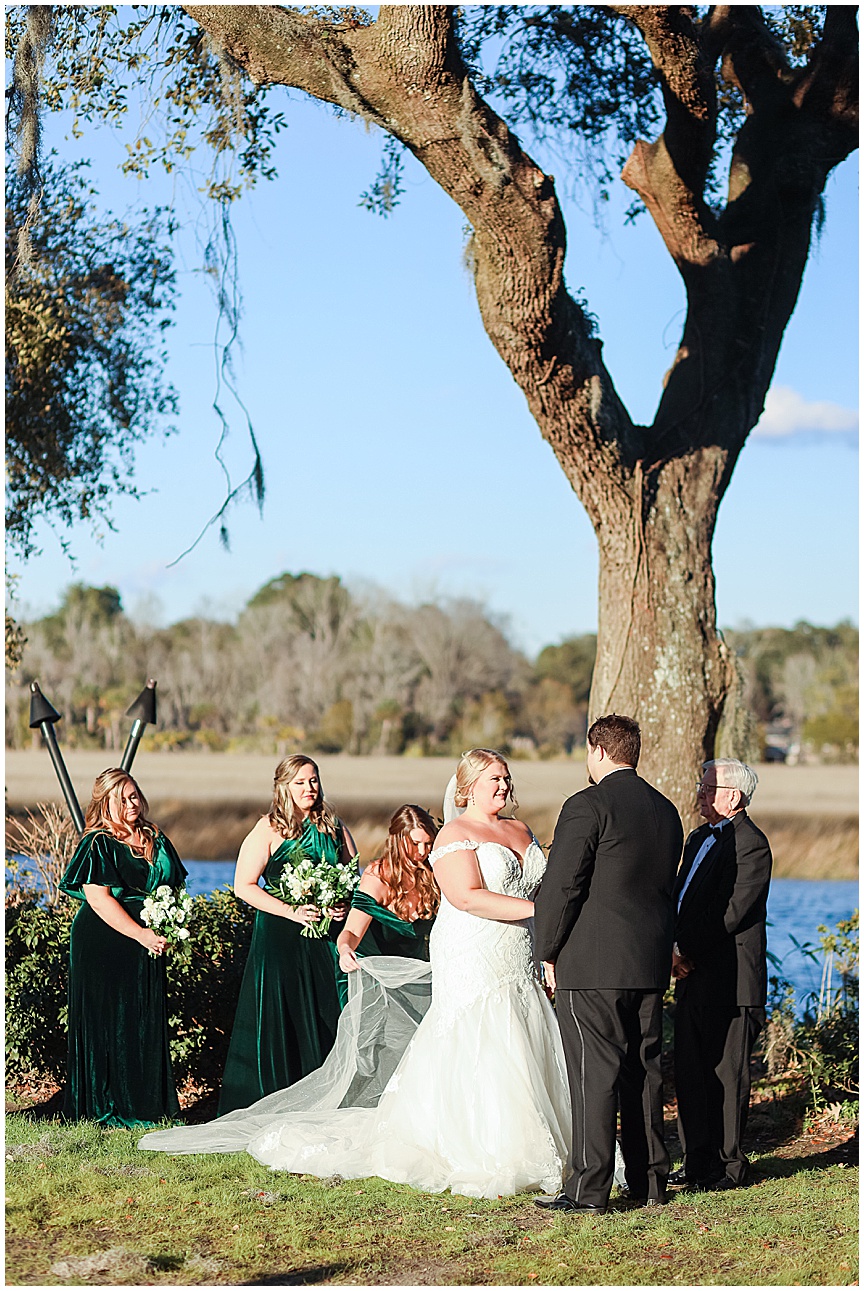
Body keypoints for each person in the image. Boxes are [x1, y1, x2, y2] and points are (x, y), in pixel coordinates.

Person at [140, 749, 572, 1201]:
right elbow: (465, 897)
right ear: (467, 787)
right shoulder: (454, 835)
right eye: (494, 779)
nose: (504, 786)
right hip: (451, 947)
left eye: (507, 778)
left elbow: (351, 882)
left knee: (521, 1034)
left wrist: (547, 944)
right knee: (479, 1035)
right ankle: (483, 1142)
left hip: (516, 949)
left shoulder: (518, 829)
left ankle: (535, 1138)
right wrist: (299, 910)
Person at [533, 714, 684, 1215]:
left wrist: (546, 949)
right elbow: (665, 891)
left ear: (597, 751)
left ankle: (587, 1190)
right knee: (643, 1072)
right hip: (648, 962)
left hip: (592, 962)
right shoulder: (666, 812)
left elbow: (563, 886)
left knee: (591, 1076)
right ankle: (649, 1182)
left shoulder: (587, 805)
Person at [218, 755, 357, 1115]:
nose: (309, 788)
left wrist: (339, 905)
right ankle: (276, 1100)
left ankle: (326, 1100)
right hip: (280, 936)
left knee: (327, 1011)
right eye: (300, 782)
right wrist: (291, 911)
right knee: (285, 1014)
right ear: (283, 786)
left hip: (325, 937)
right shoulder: (268, 828)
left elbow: (353, 878)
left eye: (313, 780)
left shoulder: (334, 827)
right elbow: (243, 886)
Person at [59, 768, 187, 1127]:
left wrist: (168, 923)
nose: (132, 804)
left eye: (134, 795)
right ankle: (103, 1104)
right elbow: (98, 899)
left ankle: (147, 1104)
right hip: (103, 941)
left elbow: (172, 888)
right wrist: (140, 933)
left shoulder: (154, 837)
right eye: (122, 799)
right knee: (106, 1022)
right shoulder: (98, 842)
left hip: (147, 940)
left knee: (142, 1019)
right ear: (105, 804)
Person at [670, 758, 772, 1191]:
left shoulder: (752, 844)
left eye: (707, 786)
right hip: (691, 973)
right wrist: (670, 947)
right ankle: (695, 1164)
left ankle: (728, 1167)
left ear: (733, 796)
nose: (699, 791)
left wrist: (683, 948)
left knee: (727, 1076)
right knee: (691, 1070)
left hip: (730, 978)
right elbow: (681, 899)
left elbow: (730, 912)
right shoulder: (697, 838)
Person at [335, 804, 438, 1007]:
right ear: (398, 840)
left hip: (417, 974)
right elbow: (353, 931)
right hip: (374, 977)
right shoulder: (377, 876)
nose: (422, 852)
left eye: (428, 844)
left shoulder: (433, 874)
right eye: (415, 843)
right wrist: (345, 949)